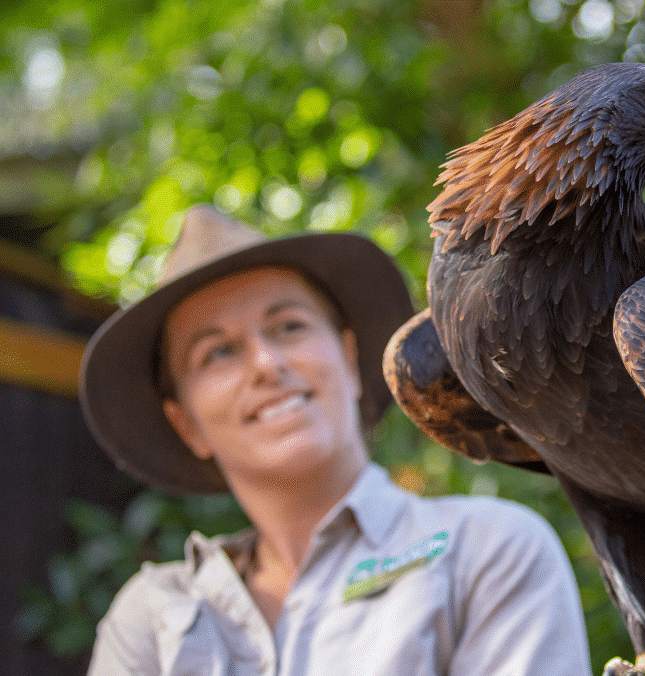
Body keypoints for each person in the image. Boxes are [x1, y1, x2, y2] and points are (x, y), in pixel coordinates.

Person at [80, 204, 592, 675]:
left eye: (288, 326)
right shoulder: (151, 618)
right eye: (217, 353)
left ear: (349, 361)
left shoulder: (486, 552)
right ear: (186, 424)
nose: (267, 364)